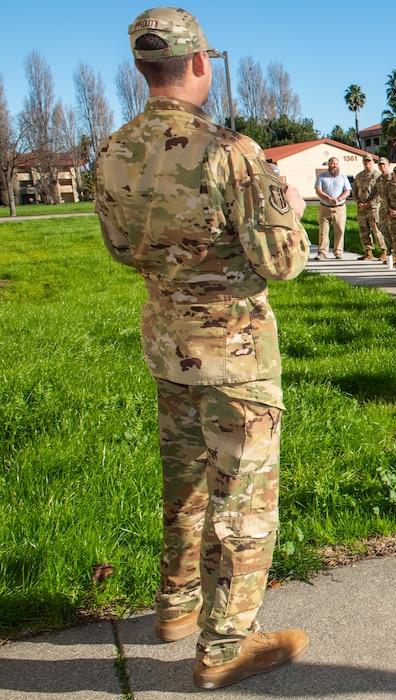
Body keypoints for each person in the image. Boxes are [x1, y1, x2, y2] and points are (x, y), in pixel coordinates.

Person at [95, 8, 309, 689]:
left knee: (183, 484)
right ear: (198, 63)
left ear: (141, 68)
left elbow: (122, 249)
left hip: (166, 344)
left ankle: (176, 608)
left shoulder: (112, 153)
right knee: (241, 499)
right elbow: (282, 261)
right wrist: (291, 212)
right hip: (234, 355)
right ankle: (225, 648)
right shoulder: (228, 150)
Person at [314, 157, 351, 260]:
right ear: (328, 165)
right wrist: (328, 198)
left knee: (339, 230)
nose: (334, 165)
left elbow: (347, 191)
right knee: (323, 231)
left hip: (339, 208)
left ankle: (338, 251)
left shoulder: (343, 177)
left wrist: (338, 199)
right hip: (325, 207)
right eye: (332, 164)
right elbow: (318, 190)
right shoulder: (321, 176)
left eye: (336, 164)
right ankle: (322, 252)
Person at [352, 155, 386, 261]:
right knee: (363, 230)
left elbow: (380, 193)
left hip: (374, 208)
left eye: (369, 161)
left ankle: (384, 251)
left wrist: (370, 203)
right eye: (365, 161)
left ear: (372, 162)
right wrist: (358, 202)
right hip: (361, 209)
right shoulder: (359, 176)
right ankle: (368, 252)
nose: (367, 163)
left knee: (377, 230)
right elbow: (354, 191)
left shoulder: (377, 176)